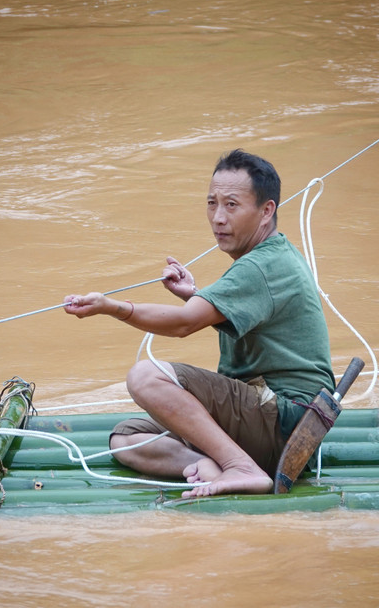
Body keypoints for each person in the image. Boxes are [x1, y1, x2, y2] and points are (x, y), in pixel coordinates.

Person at [63, 149, 334, 497]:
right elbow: (232, 309)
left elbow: (184, 325)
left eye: (231, 205)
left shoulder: (261, 265)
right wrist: (193, 294)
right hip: (276, 422)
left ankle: (241, 467)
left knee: (145, 376)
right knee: (126, 440)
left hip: (286, 421)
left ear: (266, 211)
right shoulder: (270, 256)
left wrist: (110, 307)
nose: (218, 218)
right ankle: (210, 465)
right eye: (212, 204)